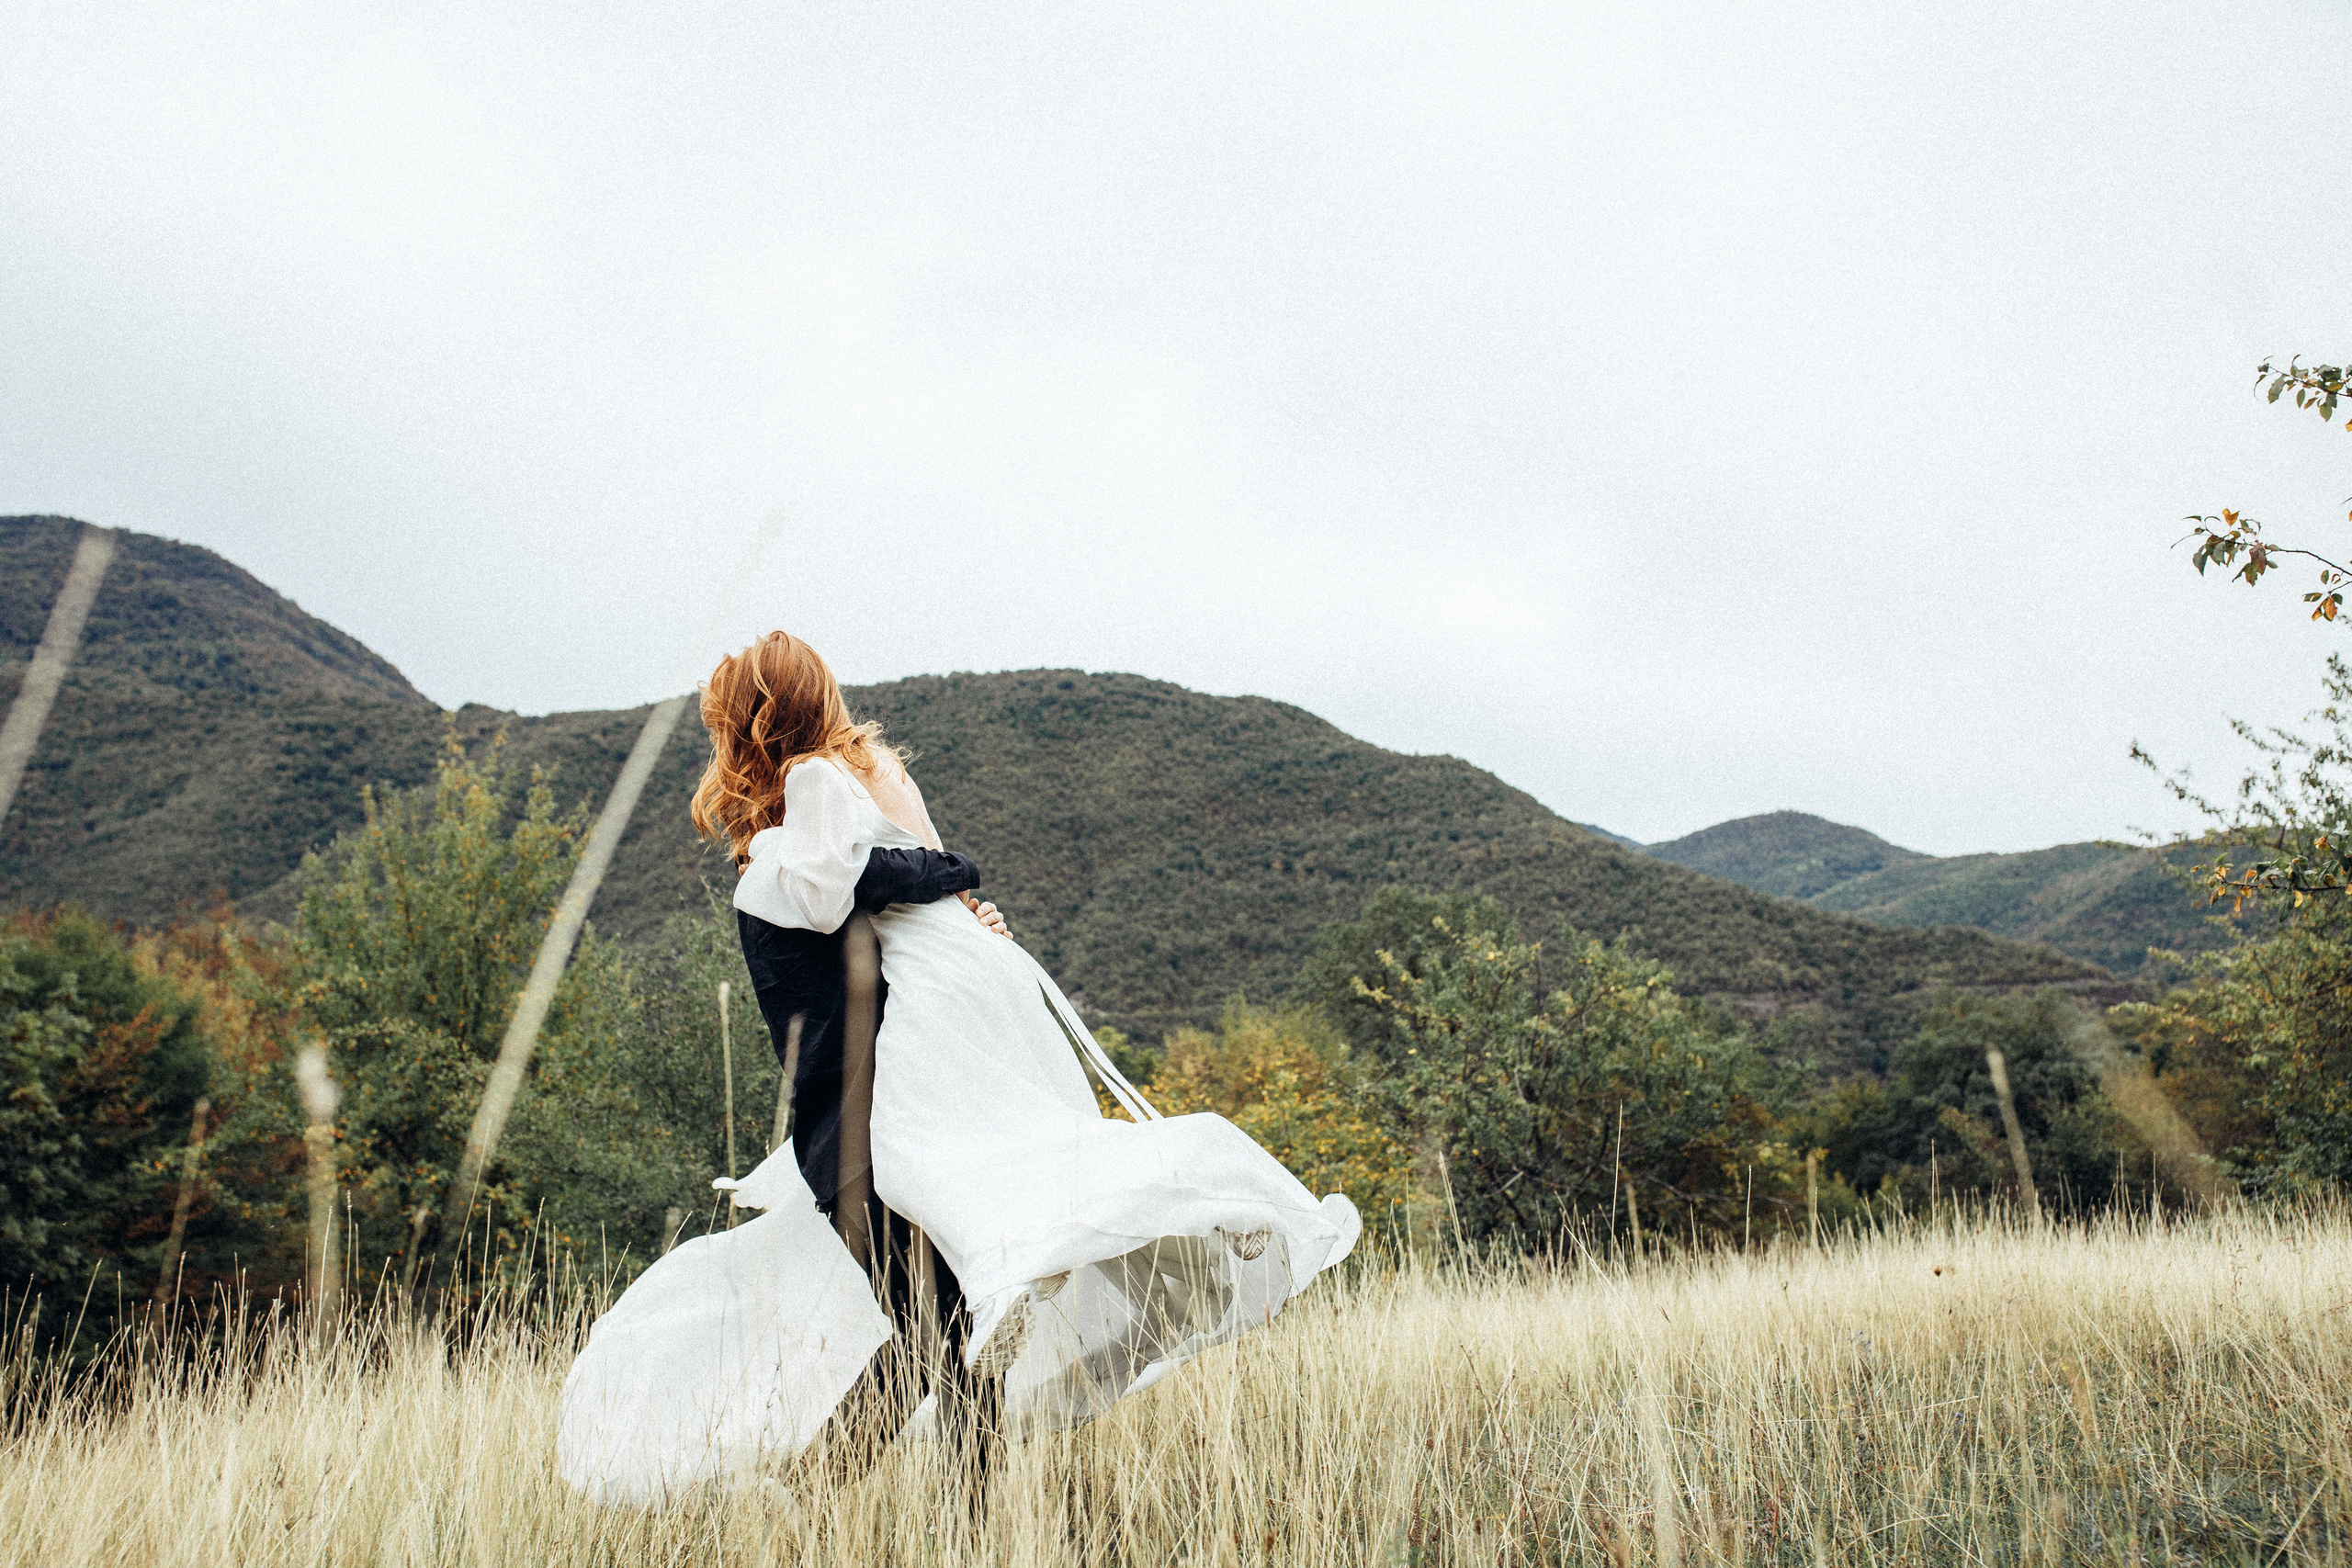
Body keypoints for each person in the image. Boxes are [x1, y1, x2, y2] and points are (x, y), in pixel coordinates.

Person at [556, 632, 1359, 1510]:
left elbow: (843, 895)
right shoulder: (871, 781)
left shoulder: (808, 804)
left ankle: (880, 1500)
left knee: (943, 1323)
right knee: (944, 1321)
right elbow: (929, 888)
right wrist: (956, 888)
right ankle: (848, 1489)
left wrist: (939, 885)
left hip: (877, 1095)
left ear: (748, 725)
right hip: (938, 1055)